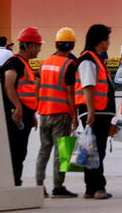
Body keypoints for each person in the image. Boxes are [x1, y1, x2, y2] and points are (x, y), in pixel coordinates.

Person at [35, 27, 78, 198]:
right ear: (72, 46)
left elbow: (36, 88)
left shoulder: (44, 62)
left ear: (56, 44)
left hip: (44, 112)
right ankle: (58, 187)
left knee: (44, 150)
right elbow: (70, 92)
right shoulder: (69, 64)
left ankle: (39, 186)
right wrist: (74, 115)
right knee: (61, 151)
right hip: (61, 113)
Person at [75, 24, 115, 199]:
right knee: (96, 150)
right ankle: (96, 187)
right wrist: (91, 111)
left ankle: (92, 187)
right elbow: (88, 86)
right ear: (101, 40)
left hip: (100, 112)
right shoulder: (88, 59)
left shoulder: (96, 59)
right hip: (95, 113)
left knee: (95, 150)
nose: (109, 42)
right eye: (107, 38)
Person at [1, 27, 42, 187]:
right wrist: (18, 107)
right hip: (16, 115)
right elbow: (8, 85)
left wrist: (31, 114)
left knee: (21, 151)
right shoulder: (15, 63)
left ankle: (15, 181)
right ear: (29, 46)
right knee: (16, 150)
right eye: (38, 45)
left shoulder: (24, 64)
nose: (39, 49)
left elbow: (25, 91)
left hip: (25, 114)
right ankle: (13, 182)